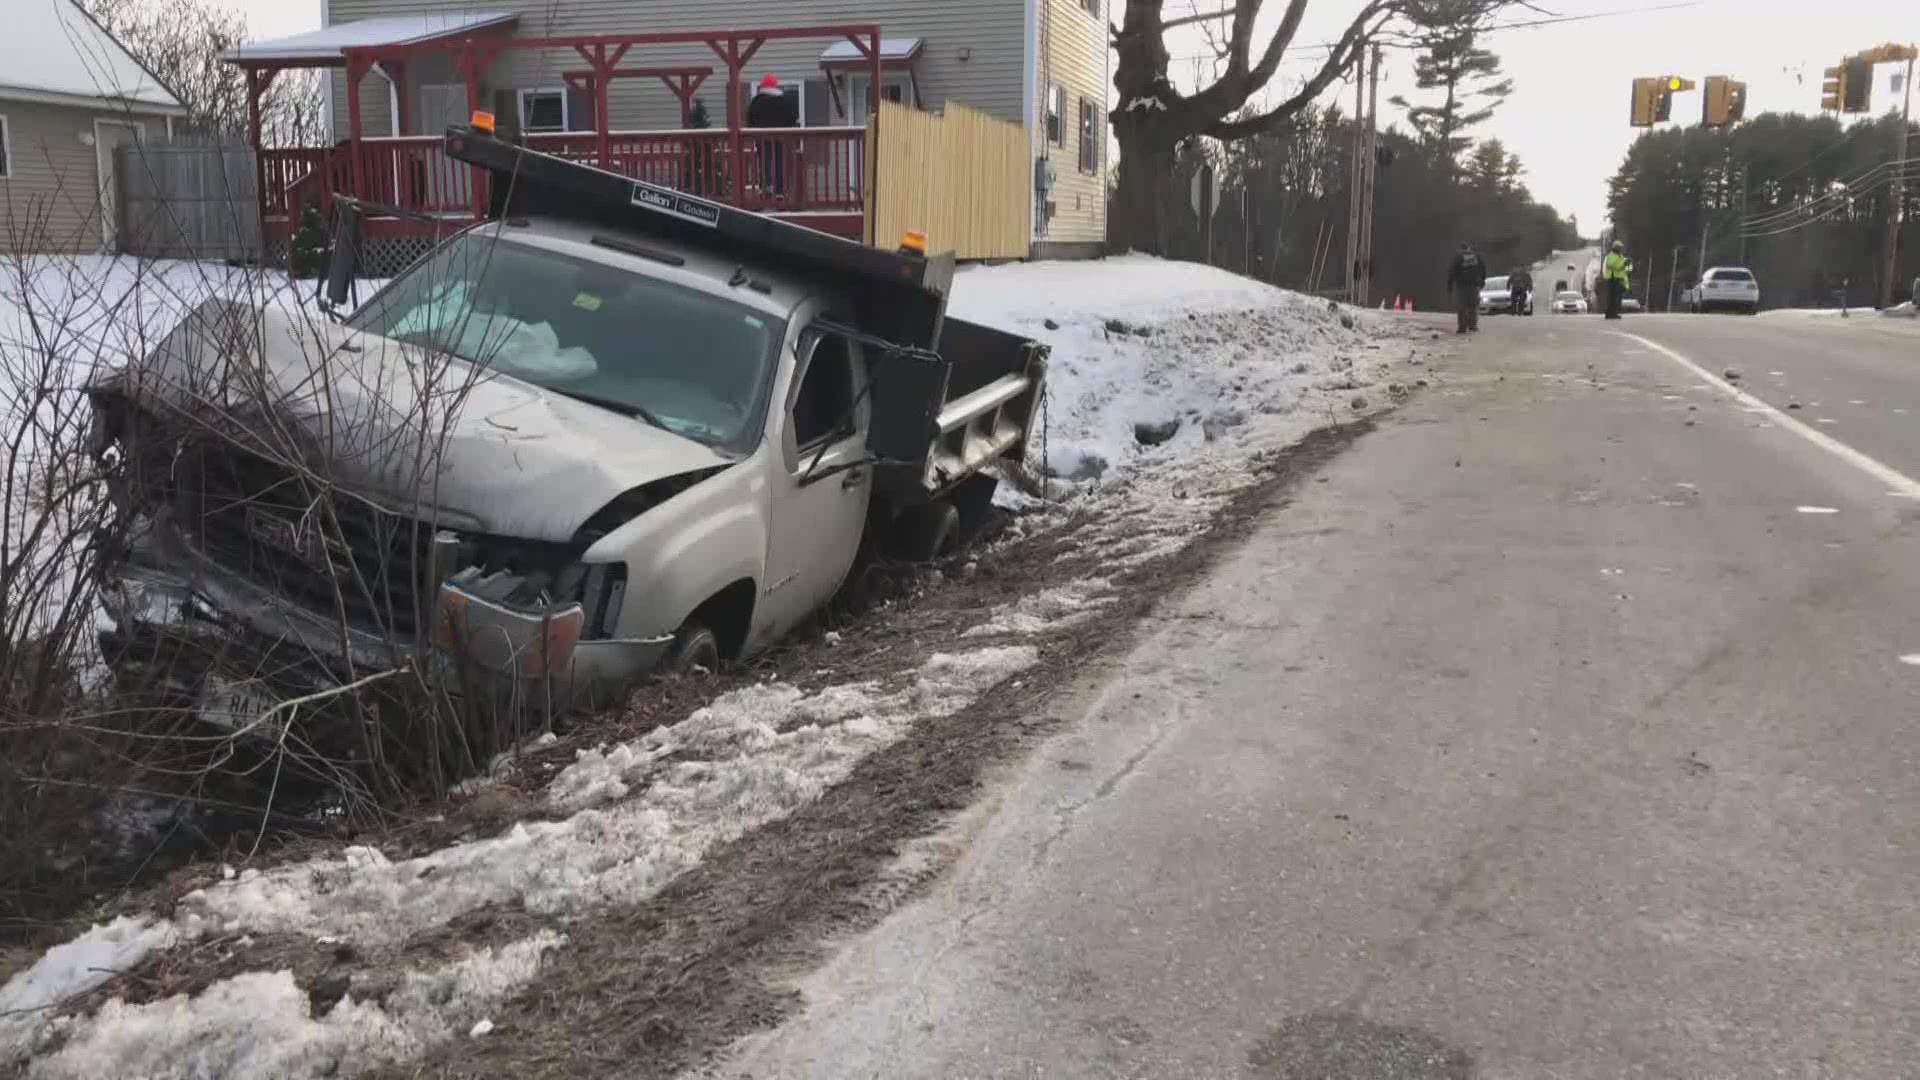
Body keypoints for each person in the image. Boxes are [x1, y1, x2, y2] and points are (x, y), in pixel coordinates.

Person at [745, 74, 799, 198]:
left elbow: (750, 119)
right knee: (779, 163)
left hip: (762, 137)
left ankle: (765, 188)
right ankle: (779, 190)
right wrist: (787, 129)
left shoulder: (757, 101)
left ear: (763, 85)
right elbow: (792, 118)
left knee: (764, 162)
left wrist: (754, 131)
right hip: (780, 137)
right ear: (775, 85)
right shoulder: (783, 100)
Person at [1445, 241, 1487, 334]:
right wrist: (1482, 280)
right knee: (1473, 306)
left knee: (1462, 307)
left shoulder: (1458, 257)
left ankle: (1462, 327)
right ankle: (1473, 325)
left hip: (1461, 286)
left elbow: (1452, 271)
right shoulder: (1476, 257)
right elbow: (1483, 268)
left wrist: (1450, 285)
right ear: (1469, 248)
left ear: (1460, 249)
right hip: (1474, 285)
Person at [1603, 241, 1632, 320]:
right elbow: (1612, 265)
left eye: (1621, 247)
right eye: (1619, 247)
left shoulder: (1620, 256)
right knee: (1612, 297)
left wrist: (1627, 262)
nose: (1620, 249)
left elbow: (1622, 265)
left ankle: (1613, 312)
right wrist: (1624, 263)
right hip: (1612, 278)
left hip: (1618, 278)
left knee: (1616, 297)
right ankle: (1610, 313)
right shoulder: (1611, 255)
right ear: (1615, 247)